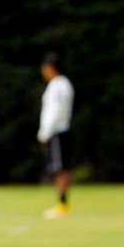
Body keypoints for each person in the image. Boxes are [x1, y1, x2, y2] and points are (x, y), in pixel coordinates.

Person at [38, 52, 74, 220]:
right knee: (60, 168)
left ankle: (62, 204)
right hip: (57, 131)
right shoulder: (58, 85)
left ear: (51, 68)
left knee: (60, 169)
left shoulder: (59, 85)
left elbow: (55, 111)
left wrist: (45, 131)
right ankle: (62, 203)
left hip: (57, 131)